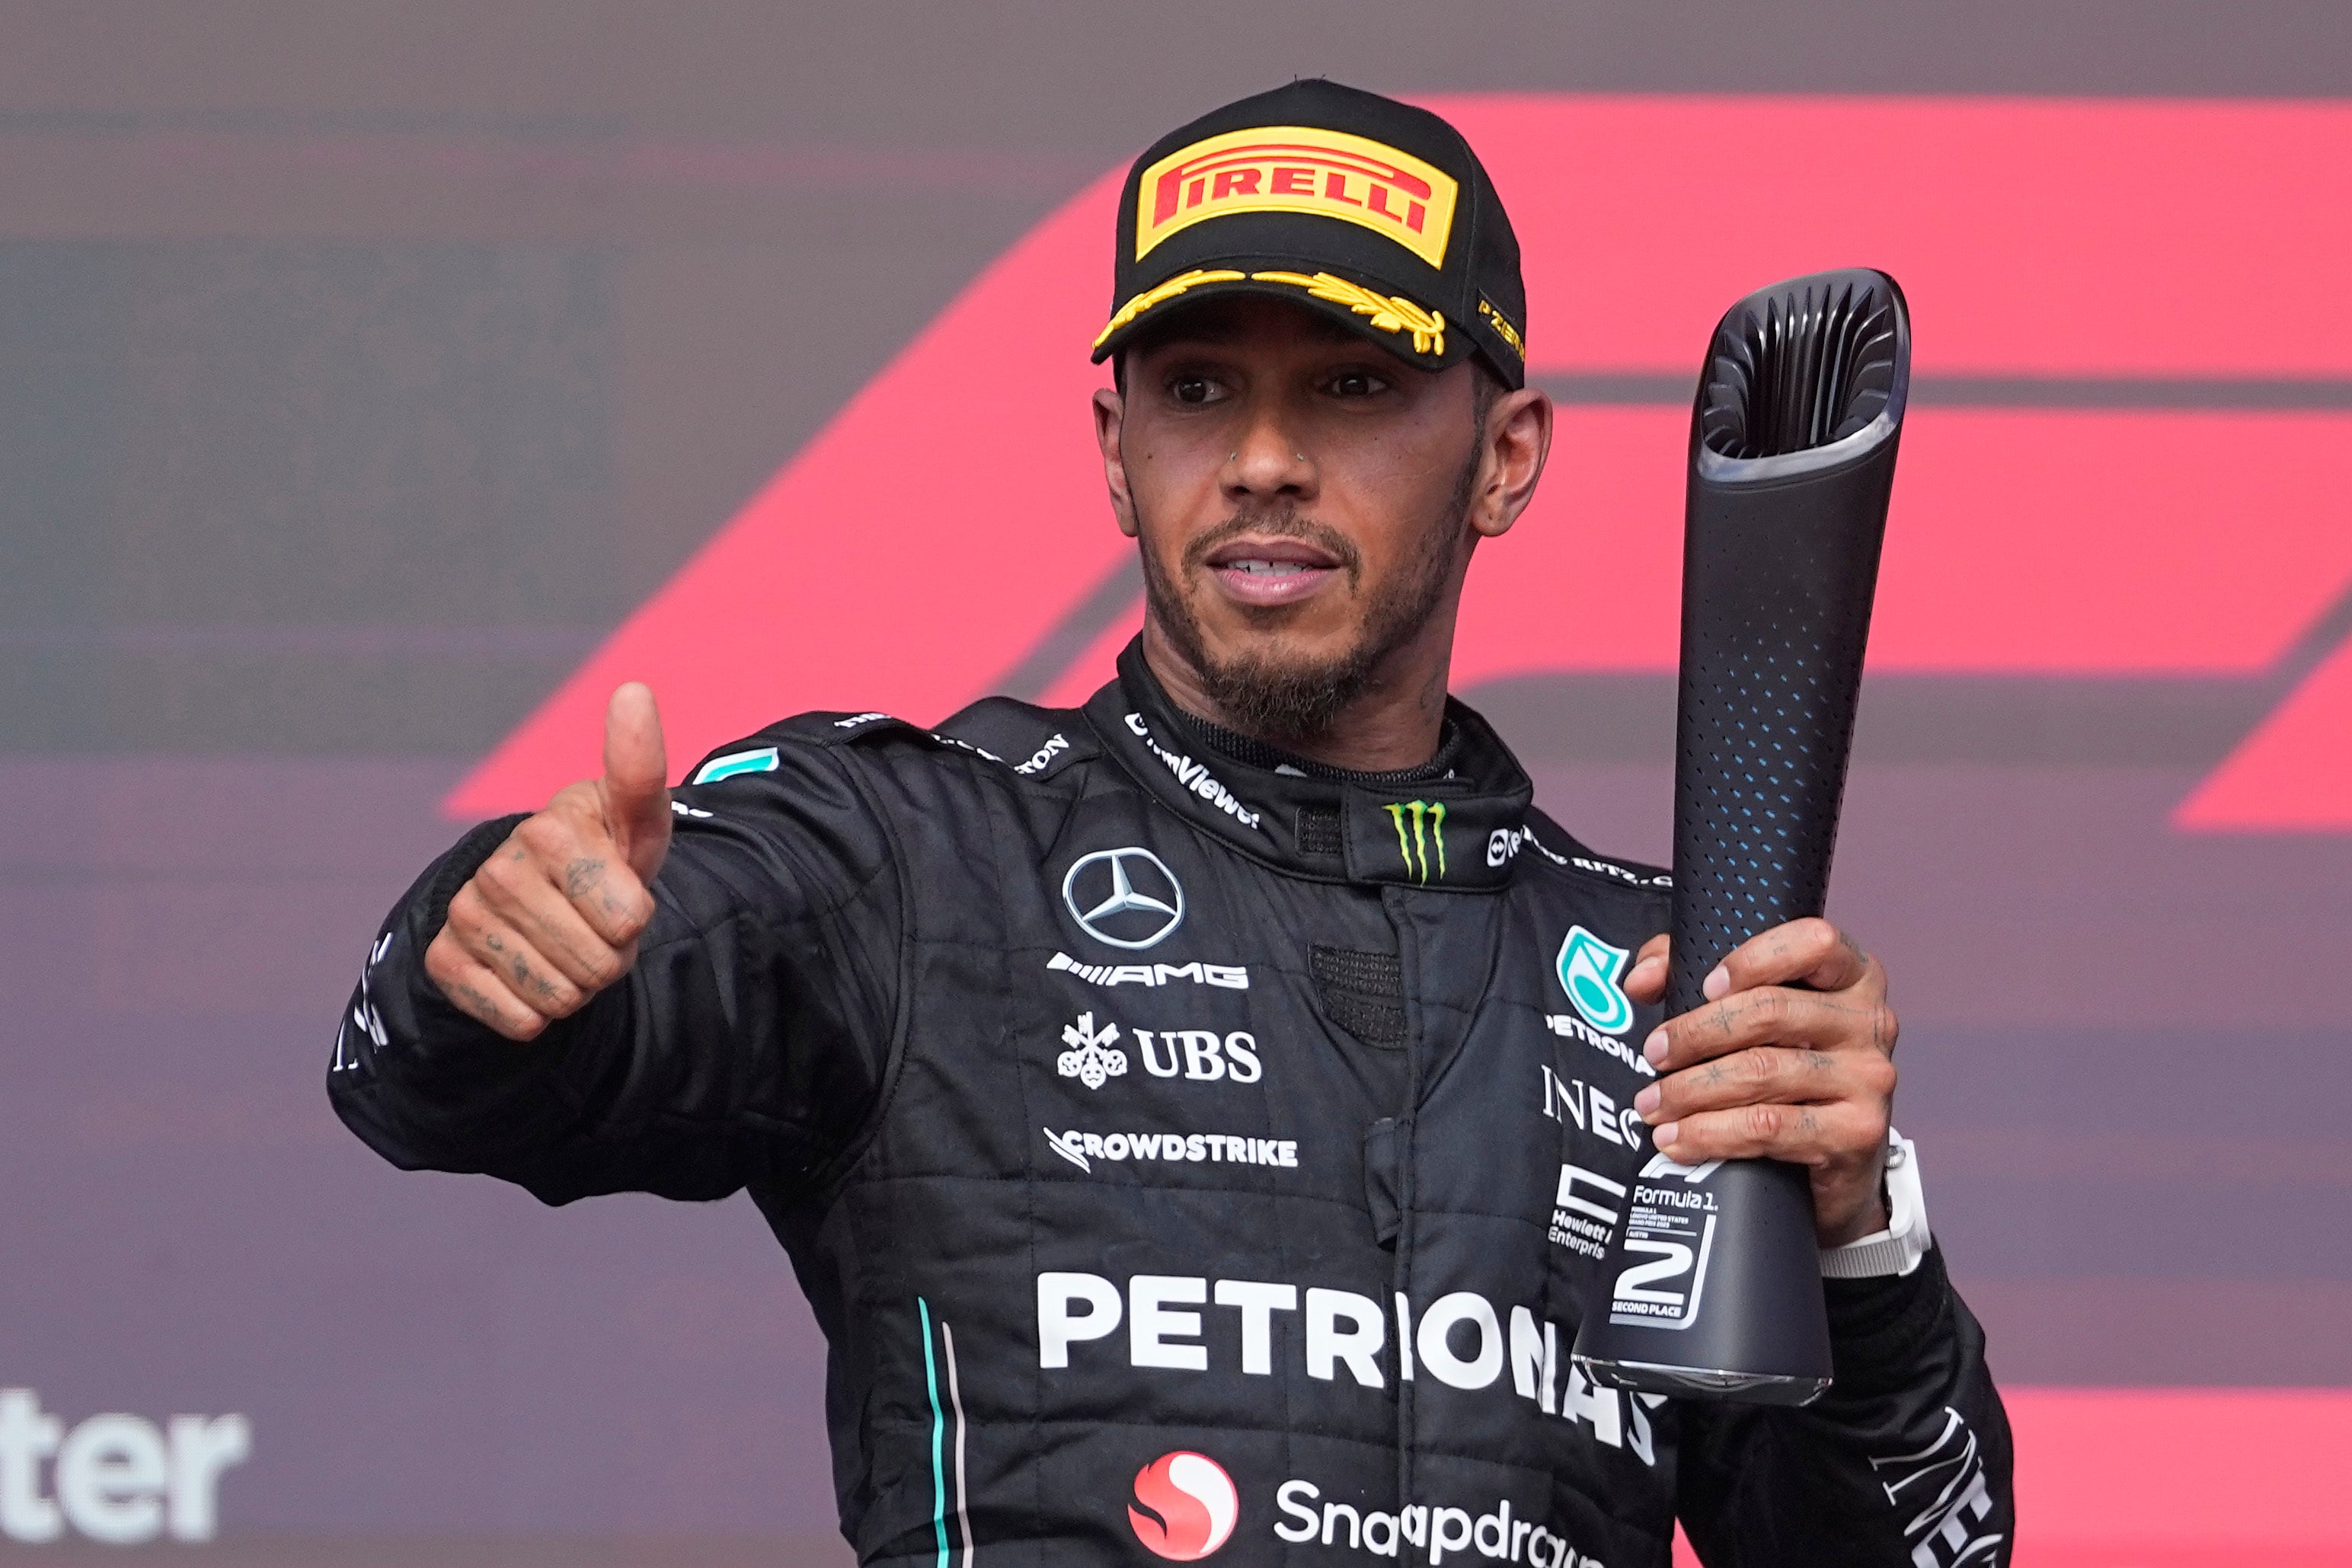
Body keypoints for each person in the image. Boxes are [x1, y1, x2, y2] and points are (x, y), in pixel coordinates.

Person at [331, 80, 2011, 1568]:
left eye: (1353, 388)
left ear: (1504, 459)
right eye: (1198, 389)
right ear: (1114, 450)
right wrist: (478, 955)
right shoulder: (913, 854)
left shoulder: (1670, 989)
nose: (1265, 459)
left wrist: (1852, 1239)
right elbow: (437, 1077)